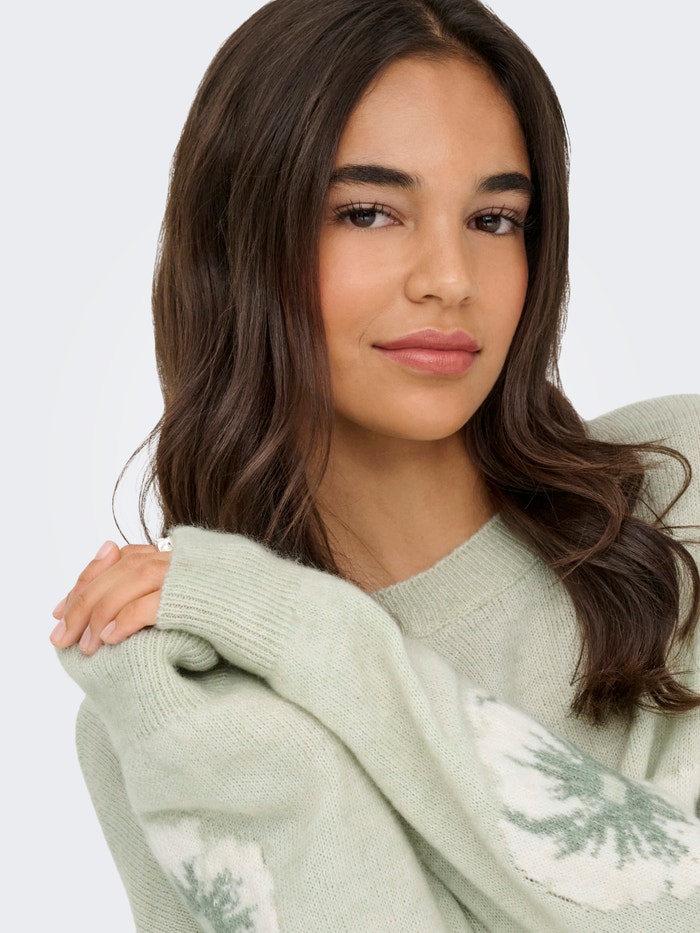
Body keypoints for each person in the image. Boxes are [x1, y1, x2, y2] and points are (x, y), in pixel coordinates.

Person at [51, 0, 700, 929]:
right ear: (239, 243)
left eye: (494, 218)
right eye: (368, 212)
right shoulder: (174, 694)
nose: (450, 278)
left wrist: (301, 628)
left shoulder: (680, 494)